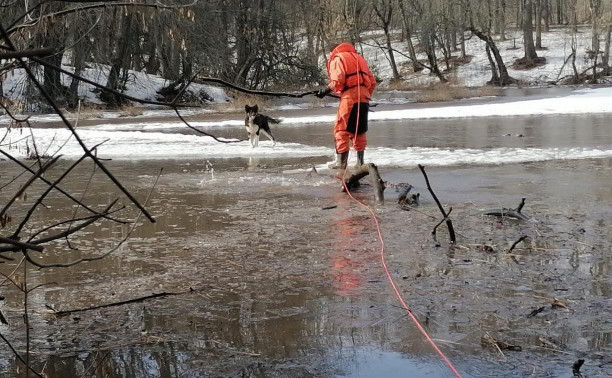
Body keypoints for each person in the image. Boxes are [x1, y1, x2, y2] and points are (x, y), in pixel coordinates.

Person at [316, 42, 377, 169]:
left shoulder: (338, 59)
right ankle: (360, 163)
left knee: (341, 129)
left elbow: (338, 80)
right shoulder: (359, 58)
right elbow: (372, 82)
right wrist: (365, 96)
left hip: (350, 98)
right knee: (359, 130)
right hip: (364, 97)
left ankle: (341, 163)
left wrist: (325, 91)